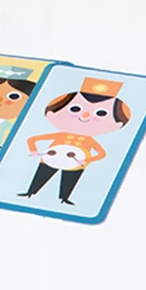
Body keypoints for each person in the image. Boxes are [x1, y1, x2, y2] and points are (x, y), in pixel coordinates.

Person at [18, 77, 130, 206]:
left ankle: (64, 198)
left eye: (101, 113)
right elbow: (33, 139)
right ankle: (31, 192)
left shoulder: (89, 140)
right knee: (41, 175)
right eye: (75, 109)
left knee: (70, 180)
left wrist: (85, 160)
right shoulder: (59, 135)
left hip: (76, 164)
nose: (85, 116)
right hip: (49, 160)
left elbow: (101, 154)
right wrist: (34, 151)